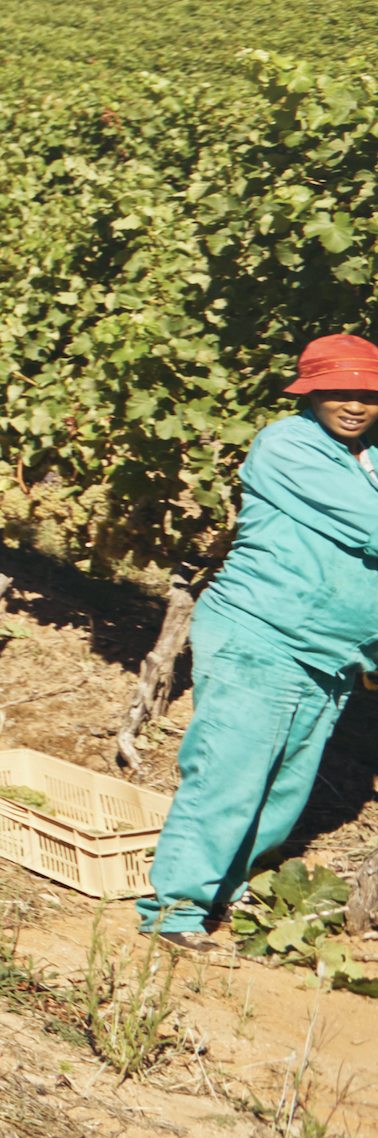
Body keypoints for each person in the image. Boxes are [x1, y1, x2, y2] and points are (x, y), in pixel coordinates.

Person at [140, 333, 378, 948]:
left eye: (368, 393)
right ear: (312, 393)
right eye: (339, 391)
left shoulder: (369, 454)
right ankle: (175, 911)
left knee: (283, 790)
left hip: (330, 655)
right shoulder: (288, 446)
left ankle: (223, 890)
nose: (354, 404)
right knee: (229, 775)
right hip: (262, 634)